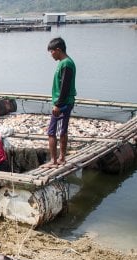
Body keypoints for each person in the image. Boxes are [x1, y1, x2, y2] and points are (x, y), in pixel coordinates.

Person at [46, 37, 76, 167]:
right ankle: (61, 158)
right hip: (64, 103)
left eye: (51, 51)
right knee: (62, 130)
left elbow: (65, 86)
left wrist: (58, 105)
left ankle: (54, 161)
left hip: (62, 104)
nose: (51, 55)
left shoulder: (66, 64)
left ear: (58, 50)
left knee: (52, 132)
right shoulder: (64, 63)